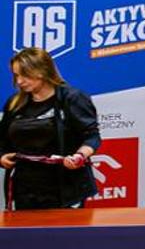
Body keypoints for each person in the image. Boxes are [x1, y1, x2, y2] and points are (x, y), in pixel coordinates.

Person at [0, 48, 101, 210]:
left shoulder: (72, 98)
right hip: (24, 190)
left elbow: (92, 136)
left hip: (65, 188)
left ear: (42, 71)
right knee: (26, 235)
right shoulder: (14, 104)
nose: (19, 81)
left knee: (64, 235)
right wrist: (2, 157)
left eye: (25, 75)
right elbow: (3, 141)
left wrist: (80, 156)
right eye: (16, 75)